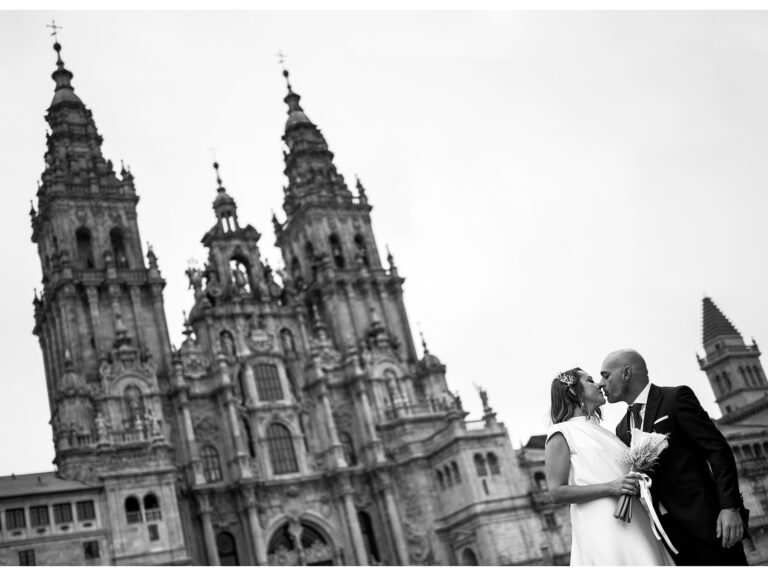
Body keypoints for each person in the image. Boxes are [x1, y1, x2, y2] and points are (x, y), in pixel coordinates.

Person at [599, 349, 748, 566]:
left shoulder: (675, 398)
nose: (601, 383)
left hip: (710, 525)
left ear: (626, 373)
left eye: (605, 375)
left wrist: (730, 508)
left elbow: (717, 450)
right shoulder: (622, 428)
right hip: (668, 535)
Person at [544, 367, 674, 566]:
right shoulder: (561, 432)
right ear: (572, 390)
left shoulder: (607, 432)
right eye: (589, 380)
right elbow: (556, 492)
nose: (599, 384)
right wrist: (611, 487)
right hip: (603, 524)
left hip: (635, 517)